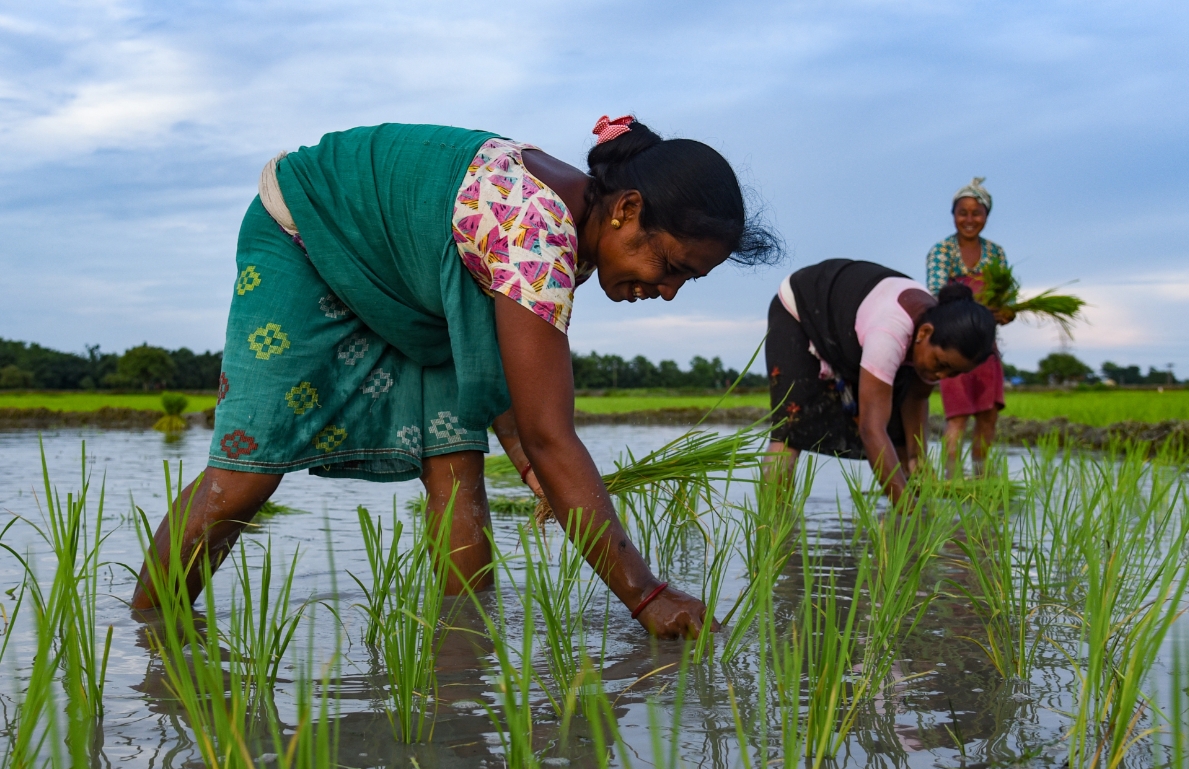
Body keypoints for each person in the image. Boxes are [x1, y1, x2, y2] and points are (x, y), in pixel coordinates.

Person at [130, 116, 779, 639]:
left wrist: (527, 460)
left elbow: (507, 382)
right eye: (669, 264)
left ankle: (461, 682)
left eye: (685, 281)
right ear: (626, 210)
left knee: (456, 469)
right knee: (246, 474)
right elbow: (551, 433)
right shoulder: (538, 232)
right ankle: (147, 636)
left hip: (420, 287)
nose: (666, 291)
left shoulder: (570, 232)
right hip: (308, 229)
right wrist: (646, 595)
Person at [764, 259, 996, 503]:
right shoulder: (889, 333)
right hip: (802, 310)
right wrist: (905, 508)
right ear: (925, 333)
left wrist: (919, 459)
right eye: (941, 365)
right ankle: (774, 527)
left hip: (851, 330)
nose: (941, 377)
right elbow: (871, 428)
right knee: (790, 430)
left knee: (901, 440)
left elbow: (917, 397)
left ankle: (910, 526)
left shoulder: (936, 334)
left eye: (953, 374)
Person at [926, 177, 1016, 478]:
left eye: (976, 213)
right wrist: (978, 307)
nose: (969, 219)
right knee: (958, 416)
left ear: (986, 216)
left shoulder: (996, 254)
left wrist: (1005, 312)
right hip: (954, 343)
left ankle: (981, 478)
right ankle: (952, 479)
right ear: (953, 215)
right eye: (962, 212)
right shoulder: (941, 252)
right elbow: (938, 294)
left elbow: (1007, 298)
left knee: (988, 415)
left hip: (986, 347)